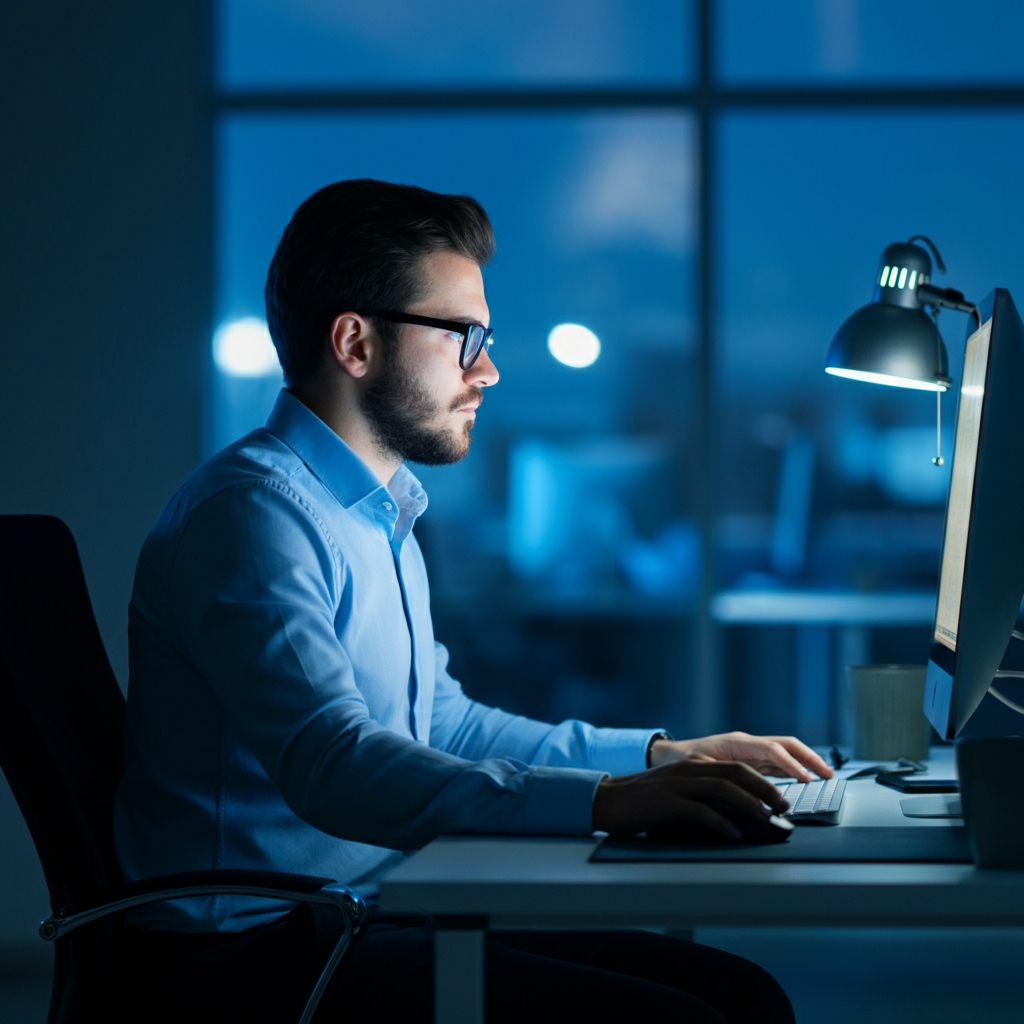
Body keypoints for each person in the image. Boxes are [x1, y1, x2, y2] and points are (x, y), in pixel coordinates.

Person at [114, 179, 831, 1022]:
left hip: (372, 910)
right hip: (256, 955)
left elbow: (443, 726)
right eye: (464, 336)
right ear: (355, 342)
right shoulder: (252, 515)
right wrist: (601, 802)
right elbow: (333, 765)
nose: (486, 369)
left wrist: (655, 757)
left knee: (740, 994)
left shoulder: (379, 510)